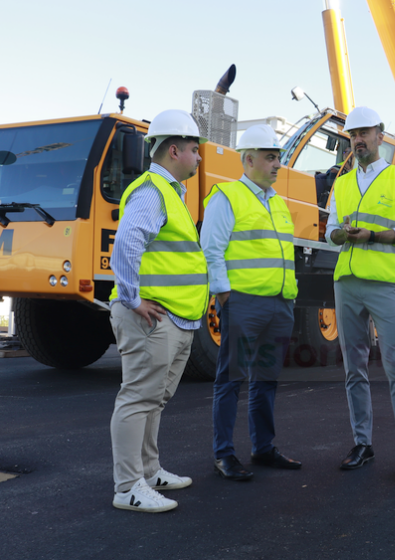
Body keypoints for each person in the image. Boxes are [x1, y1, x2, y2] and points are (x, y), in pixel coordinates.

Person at [109, 109, 210, 513]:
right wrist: (132, 298)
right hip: (152, 317)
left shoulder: (170, 192)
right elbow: (127, 244)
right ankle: (128, 486)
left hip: (173, 318)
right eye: (194, 150)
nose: (200, 158)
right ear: (174, 150)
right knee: (138, 398)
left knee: (154, 399)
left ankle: (148, 472)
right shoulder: (153, 190)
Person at [325, 106, 395, 482]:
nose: (358, 140)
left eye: (364, 133)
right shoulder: (345, 183)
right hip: (347, 281)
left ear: (380, 135)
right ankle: (362, 444)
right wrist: (341, 234)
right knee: (354, 369)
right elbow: (331, 229)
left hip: (385, 283)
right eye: (353, 135)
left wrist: (373, 235)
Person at [201, 125, 301, 481]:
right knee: (231, 379)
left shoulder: (277, 202)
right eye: (271, 157)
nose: (278, 164)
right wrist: (223, 292)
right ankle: (224, 454)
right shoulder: (227, 196)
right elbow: (211, 248)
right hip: (243, 303)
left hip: (279, 304)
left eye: (279, 158)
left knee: (266, 381)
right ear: (248, 160)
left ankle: (263, 448)